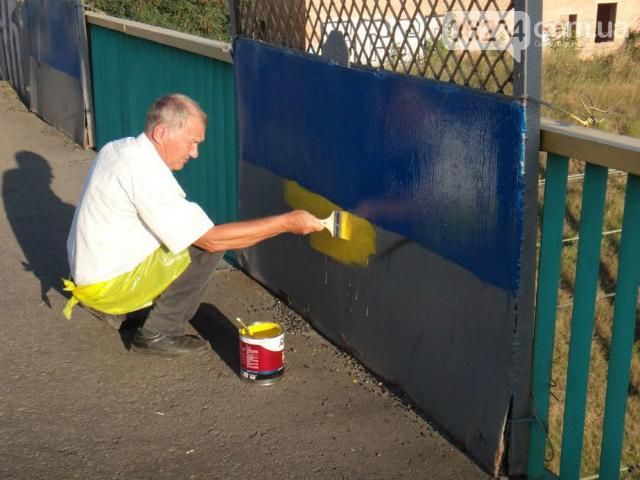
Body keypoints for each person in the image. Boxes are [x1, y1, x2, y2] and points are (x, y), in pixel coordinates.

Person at [65, 93, 323, 356]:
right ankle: (158, 332)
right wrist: (286, 223)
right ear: (161, 133)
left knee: (191, 234)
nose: (195, 153)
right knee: (206, 245)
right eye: (191, 142)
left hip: (88, 278)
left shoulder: (119, 149)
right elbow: (210, 239)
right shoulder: (145, 173)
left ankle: (128, 312)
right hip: (105, 287)